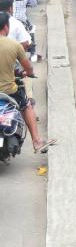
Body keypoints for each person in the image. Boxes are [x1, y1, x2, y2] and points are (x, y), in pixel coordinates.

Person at [0, 13, 54, 153]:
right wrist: (28, 73)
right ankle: (36, 141)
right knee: (26, 106)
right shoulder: (14, 45)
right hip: (9, 91)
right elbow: (28, 67)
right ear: (6, 26)